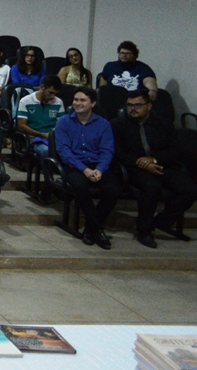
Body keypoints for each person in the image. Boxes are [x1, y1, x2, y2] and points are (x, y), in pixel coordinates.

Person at [112, 90, 197, 248]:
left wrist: (153, 160)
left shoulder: (164, 124)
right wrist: (141, 162)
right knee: (151, 187)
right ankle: (144, 231)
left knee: (190, 190)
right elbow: (118, 153)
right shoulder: (118, 124)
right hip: (135, 168)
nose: (133, 109)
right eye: (130, 105)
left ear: (148, 106)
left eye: (138, 105)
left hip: (164, 165)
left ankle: (160, 221)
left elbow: (174, 151)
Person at [54, 87, 119, 249]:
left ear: (93, 103)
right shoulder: (64, 122)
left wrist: (100, 169)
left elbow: (107, 150)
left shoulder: (103, 124)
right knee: (80, 187)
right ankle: (97, 229)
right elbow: (64, 151)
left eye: (82, 100)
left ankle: (90, 230)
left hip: (97, 165)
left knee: (113, 189)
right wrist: (84, 169)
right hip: (75, 165)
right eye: (76, 100)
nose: (77, 103)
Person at [17, 75, 65, 201]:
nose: (53, 96)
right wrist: (41, 134)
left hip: (53, 137)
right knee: (45, 151)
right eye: (51, 92)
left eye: (55, 94)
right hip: (34, 137)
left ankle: (63, 182)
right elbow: (21, 126)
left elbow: (62, 125)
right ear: (42, 87)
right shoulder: (26, 101)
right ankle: (49, 182)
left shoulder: (58, 102)